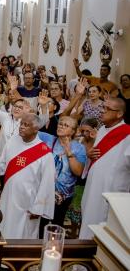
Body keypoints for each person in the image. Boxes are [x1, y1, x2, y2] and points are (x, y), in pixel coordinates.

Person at [0, 114, 56, 239]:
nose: (21, 127)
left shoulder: (44, 153)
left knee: (23, 233)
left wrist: (38, 208)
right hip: (8, 196)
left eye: (26, 125)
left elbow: (47, 184)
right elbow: (3, 164)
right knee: (5, 225)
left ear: (36, 129)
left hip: (28, 203)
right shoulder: (13, 141)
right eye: (21, 124)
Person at [79, 97, 130, 239]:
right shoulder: (101, 129)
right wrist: (89, 154)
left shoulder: (127, 133)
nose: (101, 111)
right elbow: (98, 158)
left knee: (102, 228)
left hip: (111, 191)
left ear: (119, 114)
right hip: (92, 188)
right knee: (88, 220)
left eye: (106, 109)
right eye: (102, 107)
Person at [38, 116, 86, 238]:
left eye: (66, 125)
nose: (61, 126)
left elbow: (78, 172)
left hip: (63, 195)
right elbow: (32, 128)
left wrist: (69, 153)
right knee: (40, 222)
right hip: (44, 191)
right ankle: (38, 247)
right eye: (60, 124)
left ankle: (53, 248)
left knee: (57, 224)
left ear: (73, 131)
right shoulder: (48, 139)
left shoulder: (79, 148)